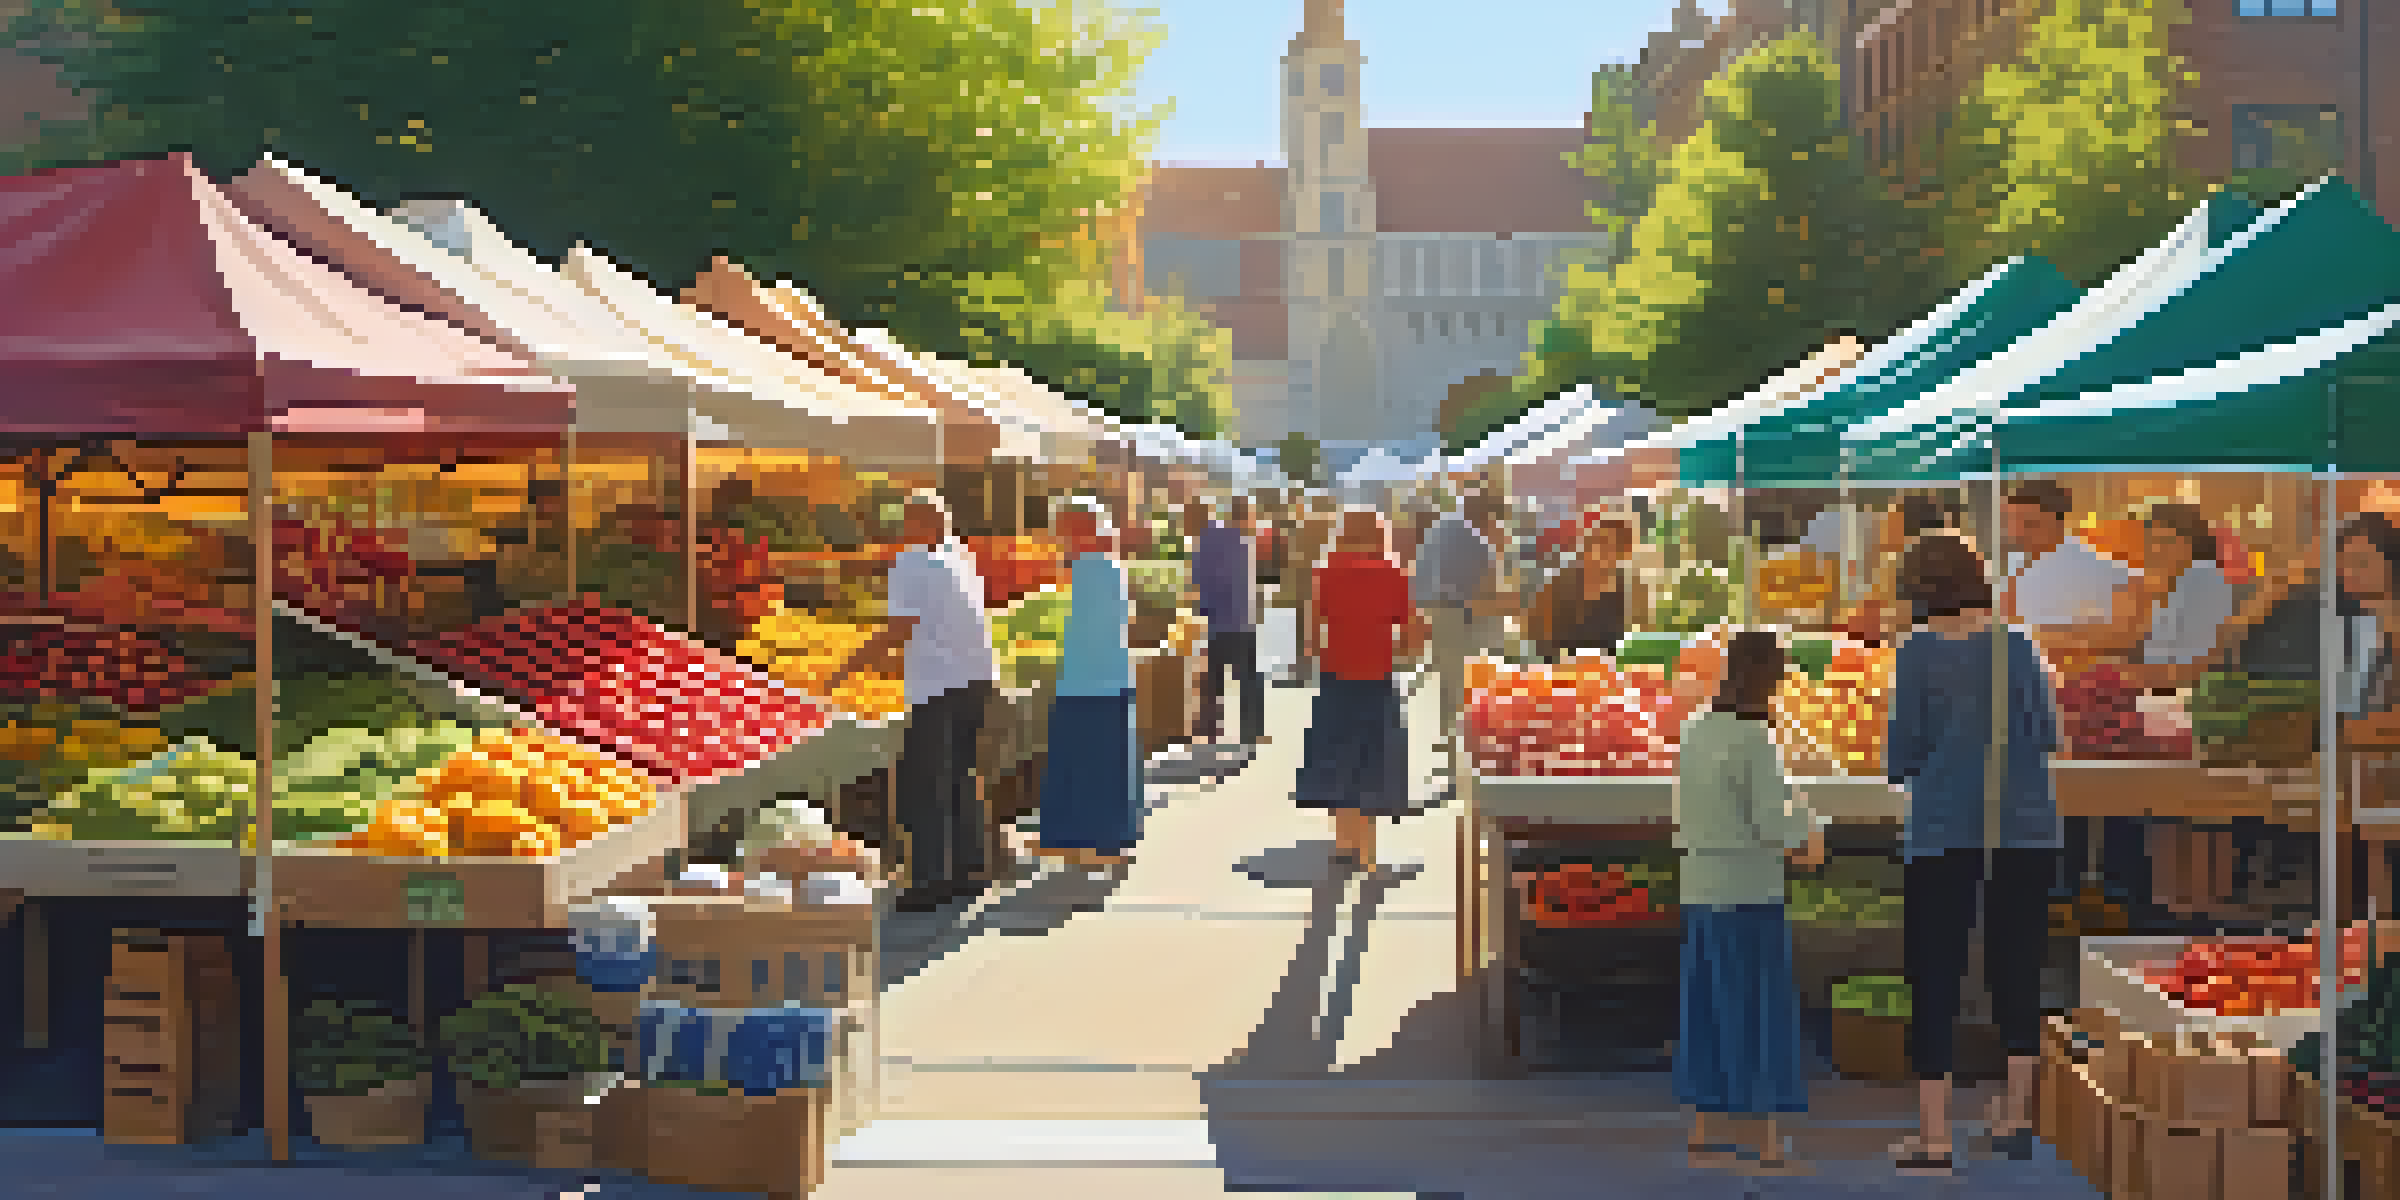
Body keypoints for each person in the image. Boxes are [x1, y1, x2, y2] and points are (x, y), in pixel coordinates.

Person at [1885, 535, 2061, 1171]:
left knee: (1934, 974)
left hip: (1942, 828)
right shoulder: (2018, 644)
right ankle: (2015, 1116)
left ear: (1918, 590)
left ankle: (1934, 1135)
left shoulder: (1917, 654)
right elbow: (2046, 732)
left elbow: (1901, 754)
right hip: (2024, 826)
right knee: (2018, 968)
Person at [1673, 630, 1826, 1175]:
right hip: (1748, 890)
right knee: (1760, 1012)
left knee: (1708, 1007)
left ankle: (1702, 1129)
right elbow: (1773, 824)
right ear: (1773, 680)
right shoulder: (1756, 739)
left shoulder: (1696, 729)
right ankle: (1767, 1141)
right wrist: (1809, 820)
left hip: (1699, 885)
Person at [828, 491, 998, 913]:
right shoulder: (961, 561)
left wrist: (845, 670)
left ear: (918, 525)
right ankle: (970, 871)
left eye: (906, 522)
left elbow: (899, 629)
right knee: (962, 777)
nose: (901, 530)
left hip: (937, 685)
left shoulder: (912, 564)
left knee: (926, 786)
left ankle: (929, 882)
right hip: (975, 680)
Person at [1296, 508, 1427, 876]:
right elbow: (1413, 637)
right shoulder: (1395, 576)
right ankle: (1368, 856)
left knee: (1337, 755)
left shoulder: (1324, 575)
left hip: (1336, 676)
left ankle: (1343, 845)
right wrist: (1395, 651)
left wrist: (1326, 650)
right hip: (1377, 676)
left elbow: (1309, 637)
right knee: (1373, 761)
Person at [1032, 497, 1144, 874]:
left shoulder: (1085, 571)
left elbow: (1056, 623)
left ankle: (1084, 843)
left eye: (1064, 530)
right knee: (1100, 768)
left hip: (1086, 682)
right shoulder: (1106, 568)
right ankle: (1097, 844)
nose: (1059, 537)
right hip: (1102, 680)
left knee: (1081, 768)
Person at [2000, 480, 2147, 664]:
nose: (2018, 532)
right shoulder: (2012, 567)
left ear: (2058, 520)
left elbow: (2124, 633)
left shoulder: (2100, 568)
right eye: (2012, 523)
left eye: (2029, 524)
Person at [1414, 487, 1514, 757]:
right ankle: (1471, 742)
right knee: (1473, 682)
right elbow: (1484, 595)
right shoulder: (1477, 542)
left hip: (1438, 615)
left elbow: (1418, 578)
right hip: (1466, 619)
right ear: (1487, 515)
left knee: (1449, 680)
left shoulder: (1441, 528)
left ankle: (1451, 736)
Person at [1192, 496, 1267, 746]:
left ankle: (1208, 729)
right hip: (1239, 620)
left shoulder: (1208, 537)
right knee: (1247, 679)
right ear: (1245, 515)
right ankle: (1252, 732)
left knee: (1212, 678)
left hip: (1212, 619)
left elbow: (1196, 575)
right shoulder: (1243, 542)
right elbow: (1242, 584)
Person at [1528, 517, 1636, 659]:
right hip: (1559, 672)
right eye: (1600, 544)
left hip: (1605, 673)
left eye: (1614, 548)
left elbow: (1620, 647)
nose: (1604, 553)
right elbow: (1538, 638)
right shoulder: (1560, 585)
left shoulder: (1623, 592)